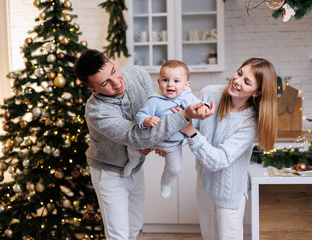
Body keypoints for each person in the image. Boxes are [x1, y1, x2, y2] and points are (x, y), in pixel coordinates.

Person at [73, 49, 214, 240]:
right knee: (119, 235)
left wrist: (158, 143)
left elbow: (157, 110)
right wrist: (183, 116)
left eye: (113, 71)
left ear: (113, 62)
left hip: (136, 165)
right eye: (105, 83)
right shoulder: (97, 111)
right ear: (93, 89)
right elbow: (137, 136)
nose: (117, 82)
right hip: (110, 173)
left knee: (135, 225)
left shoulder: (137, 74)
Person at [177, 58, 277, 240]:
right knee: (208, 235)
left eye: (247, 82)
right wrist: (168, 146)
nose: (237, 81)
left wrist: (190, 132)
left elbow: (219, 159)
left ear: (257, 93)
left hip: (229, 191)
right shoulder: (209, 94)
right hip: (204, 182)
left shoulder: (250, 122)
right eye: (239, 73)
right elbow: (191, 129)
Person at [123, 60, 210, 199]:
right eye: (165, 80)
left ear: (186, 85)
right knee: (132, 145)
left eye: (176, 81)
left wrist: (204, 107)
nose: (170, 84)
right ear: (158, 82)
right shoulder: (155, 100)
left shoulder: (188, 97)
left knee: (175, 168)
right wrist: (147, 120)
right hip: (151, 138)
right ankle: (132, 162)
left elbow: (199, 104)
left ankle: (165, 182)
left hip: (173, 145)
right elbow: (141, 115)